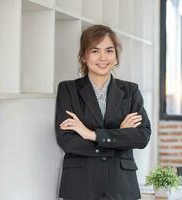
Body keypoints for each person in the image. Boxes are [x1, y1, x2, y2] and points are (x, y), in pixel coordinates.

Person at [55, 25, 151, 200]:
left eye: (109, 51)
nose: (103, 58)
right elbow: (67, 140)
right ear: (84, 56)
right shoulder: (68, 89)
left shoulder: (130, 91)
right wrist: (119, 136)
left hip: (121, 186)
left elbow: (142, 137)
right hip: (80, 185)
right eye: (95, 51)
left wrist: (92, 135)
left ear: (116, 57)